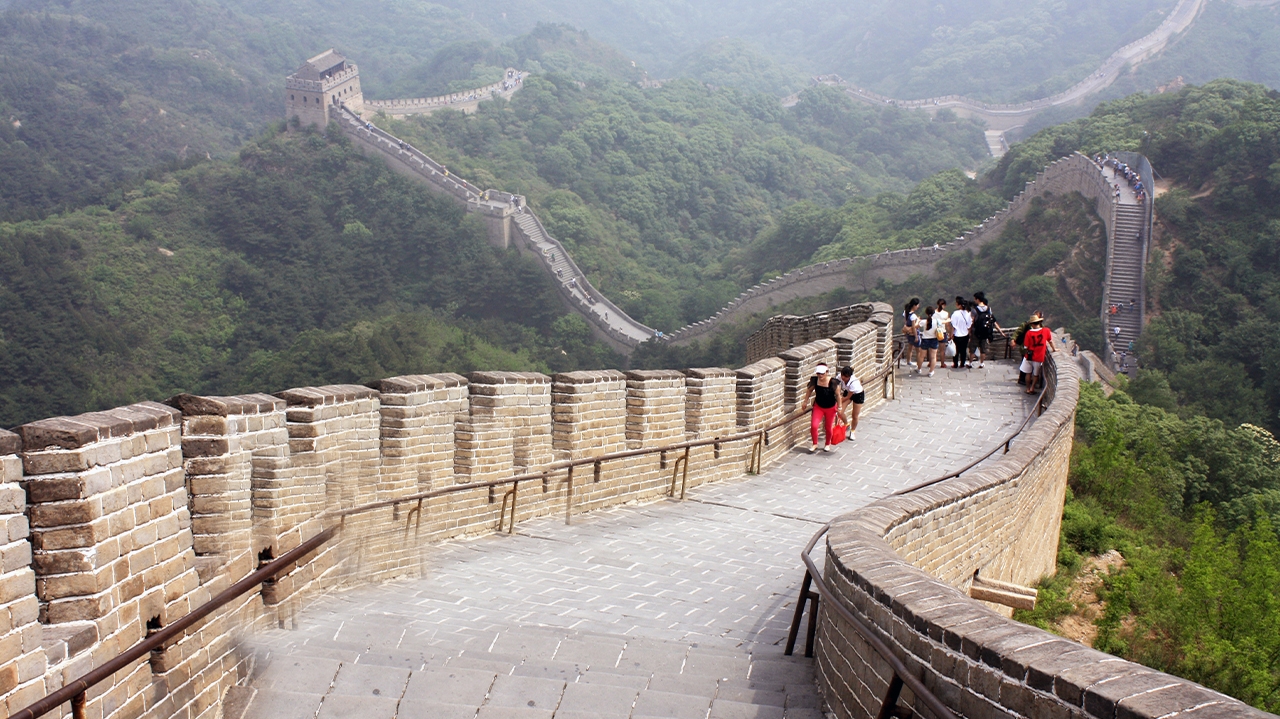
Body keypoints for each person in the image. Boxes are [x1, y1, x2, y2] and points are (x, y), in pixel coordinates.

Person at [803, 363, 840, 453]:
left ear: (827, 372)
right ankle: (815, 443)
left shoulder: (833, 382)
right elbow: (809, 390)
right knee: (814, 425)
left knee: (828, 427)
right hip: (818, 406)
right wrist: (805, 401)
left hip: (830, 407)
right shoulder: (815, 381)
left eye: (822, 373)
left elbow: (838, 395)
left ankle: (827, 444)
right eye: (818, 373)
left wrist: (840, 406)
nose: (820, 375)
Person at [1023, 314, 1055, 394]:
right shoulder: (1046, 330)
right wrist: (1054, 349)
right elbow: (1050, 341)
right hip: (1039, 357)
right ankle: (1032, 388)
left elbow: (1026, 346)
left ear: (1032, 324)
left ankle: (1027, 388)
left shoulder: (1029, 333)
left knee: (1028, 373)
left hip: (1029, 356)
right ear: (1039, 322)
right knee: (1035, 374)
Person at [970, 292, 1002, 369]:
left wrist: (969, 331)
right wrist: (1000, 331)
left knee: (973, 348)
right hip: (985, 332)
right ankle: (981, 363)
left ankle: (970, 363)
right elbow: (992, 320)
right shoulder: (988, 309)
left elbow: (972, 321)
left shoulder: (975, 310)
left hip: (976, 331)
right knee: (983, 348)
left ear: (977, 299)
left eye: (975, 299)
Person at [838, 366, 864, 440]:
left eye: (845, 377)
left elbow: (848, 397)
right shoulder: (840, 377)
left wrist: (839, 401)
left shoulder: (854, 383)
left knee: (854, 415)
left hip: (858, 394)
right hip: (848, 391)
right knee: (840, 411)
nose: (843, 378)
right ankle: (846, 424)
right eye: (842, 375)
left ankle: (852, 431)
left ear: (850, 376)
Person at [949, 297, 973, 369]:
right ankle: (962, 363)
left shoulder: (955, 313)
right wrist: (968, 333)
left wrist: (951, 334)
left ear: (959, 305)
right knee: (963, 350)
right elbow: (969, 325)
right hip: (965, 335)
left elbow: (953, 325)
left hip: (957, 335)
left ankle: (955, 364)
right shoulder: (968, 314)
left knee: (956, 350)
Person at [917, 307, 941, 377]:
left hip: (925, 339)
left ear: (926, 313)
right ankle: (931, 371)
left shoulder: (924, 321)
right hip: (934, 339)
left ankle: (919, 369)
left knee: (921, 356)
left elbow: (916, 326)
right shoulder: (937, 321)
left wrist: (917, 320)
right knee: (933, 357)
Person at [902, 298, 922, 370]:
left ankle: (908, 361)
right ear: (914, 305)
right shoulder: (913, 315)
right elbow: (914, 327)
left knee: (910, 347)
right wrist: (916, 337)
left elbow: (906, 322)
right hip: (914, 334)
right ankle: (918, 364)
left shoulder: (906, 312)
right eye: (917, 305)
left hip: (908, 333)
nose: (918, 306)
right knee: (918, 351)